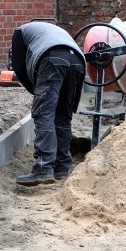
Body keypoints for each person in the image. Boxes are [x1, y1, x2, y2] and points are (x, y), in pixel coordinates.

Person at [10, 21, 86, 186]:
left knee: (43, 112)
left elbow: (18, 66)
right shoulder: (49, 31)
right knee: (63, 116)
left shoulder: (19, 32)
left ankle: (43, 168)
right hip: (78, 60)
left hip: (52, 58)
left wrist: (38, 93)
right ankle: (61, 166)